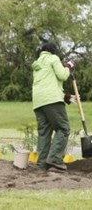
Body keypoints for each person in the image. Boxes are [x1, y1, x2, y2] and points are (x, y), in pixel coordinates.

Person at [32, 42, 75, 171]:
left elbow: (48, 85)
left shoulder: (38, 64)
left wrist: (65, 97)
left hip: (38, 102)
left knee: (44, 132)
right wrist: (68, 66)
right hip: (52, 101)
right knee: (63, 128)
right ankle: (55, 159)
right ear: (53, 51)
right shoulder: (53, 58)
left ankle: (42, 164)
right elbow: (62, 75)